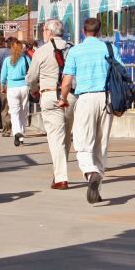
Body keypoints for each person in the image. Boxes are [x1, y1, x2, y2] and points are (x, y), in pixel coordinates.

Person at [61, 17, 118, 204]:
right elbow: (121, 73)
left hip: (85, 98)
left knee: (83, 141)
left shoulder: (75, 51)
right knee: (101, 145)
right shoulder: (109, 49)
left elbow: (67, 81)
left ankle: (90, 172)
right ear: (99, 32)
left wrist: (63, 98)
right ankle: (97, 189)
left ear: (84, 32)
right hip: (106, 98)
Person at [28, 19, 76, 190]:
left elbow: (32, 77)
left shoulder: (41, 51)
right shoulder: (72, 48)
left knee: (56, 137)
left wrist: (34, 90)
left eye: (43, 30)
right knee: (66, 136)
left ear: (48, 32)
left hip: (49, 95)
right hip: (70, 96)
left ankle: (61, 177)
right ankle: (59, 172)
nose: (42, 33)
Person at [1, 39, 32, 147]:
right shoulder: (25, 58)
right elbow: (31, 72)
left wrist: (2, 85)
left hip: (12, 88)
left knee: (14, 112)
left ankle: (17, 132)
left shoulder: (7, 60)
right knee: (23, 111)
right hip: (24, 87)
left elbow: (3, 76)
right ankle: (22, 135)